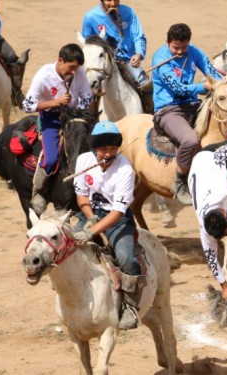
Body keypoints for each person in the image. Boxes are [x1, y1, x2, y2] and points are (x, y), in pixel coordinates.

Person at [71, 121, 142, 330]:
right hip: (90, 213)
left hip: (117, 219)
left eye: (113, 149)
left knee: (125, 258)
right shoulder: (84, 160)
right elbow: (81, 194)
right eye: (103, 149)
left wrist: (92, 231)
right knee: (68, 248)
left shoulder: (125, 169)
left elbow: (118, 211)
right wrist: (90, 217)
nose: (108, 154)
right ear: (94, 148)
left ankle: (130, 305)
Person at [152, 23, 223, 205]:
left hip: (192, 105)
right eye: (176, 48)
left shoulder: (194, 51)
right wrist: (204, 86)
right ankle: (180, 180)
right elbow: (178, 88)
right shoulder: (160, 58)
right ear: (167, 42)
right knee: (190, 140)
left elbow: (211, 72)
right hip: (168, 109)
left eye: (184, 47)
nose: (180, 51)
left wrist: (223, 82)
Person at [22, 44, 94, 214]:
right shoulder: (43, 75)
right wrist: (55, 103)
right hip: (51, 118)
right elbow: (27, 106)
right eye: (71, 67)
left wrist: (78, 111)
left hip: (76, 117)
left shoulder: (79, 72)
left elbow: (87, 97)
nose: (74, 72)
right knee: (52, 159)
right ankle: (40, 191)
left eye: (77, 68)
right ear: (60, 60)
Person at [188, 136, 227, 301]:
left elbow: (221, 154)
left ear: (224, 215)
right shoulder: (205, 228)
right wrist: (224, 285)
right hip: (200, 172)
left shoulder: (223, 190)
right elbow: (211, 257)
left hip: (209, 155)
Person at [81, 0, 153, 112]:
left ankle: (151, 113)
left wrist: (138, 54)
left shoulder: (129, 12)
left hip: (128, 59)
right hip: (103, 61)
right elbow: (88, 45)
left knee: (146, 83)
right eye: (109, 0)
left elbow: (138, 36)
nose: (113, 4)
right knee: (89, 86)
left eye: (116, 0)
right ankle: (89, 119)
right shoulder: (91, 17)